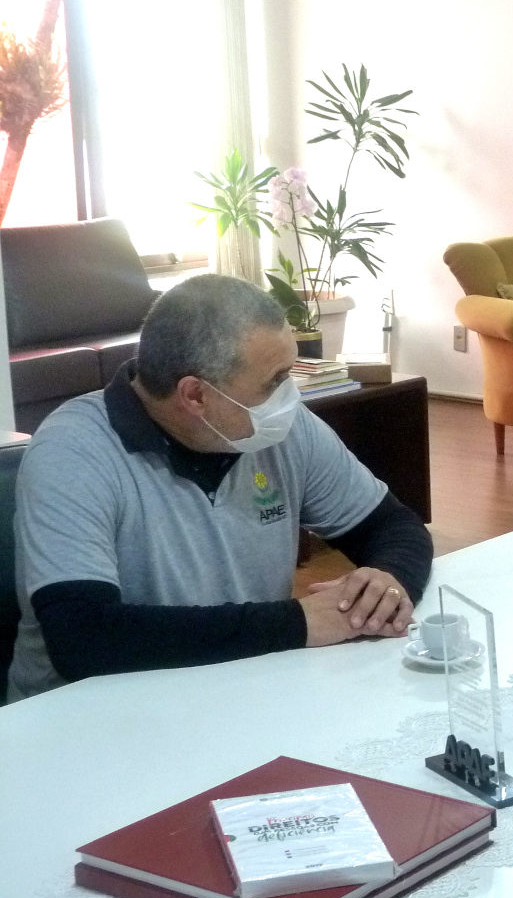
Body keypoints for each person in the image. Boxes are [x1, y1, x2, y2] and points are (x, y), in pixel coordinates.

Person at [7, 274, 433, 701]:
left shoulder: (282, 430)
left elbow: (393, 526)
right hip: (80, 720)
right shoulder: (73, 450)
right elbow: (83, 638)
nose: (289, 397)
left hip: (236, 690)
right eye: (274, 381)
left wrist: (386, 585)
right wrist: (299, 622)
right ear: (195, 395)